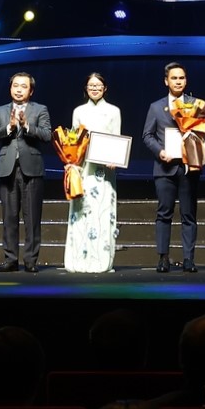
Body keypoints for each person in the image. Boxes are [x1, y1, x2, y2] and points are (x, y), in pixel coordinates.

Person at [138, 61, 205, 273]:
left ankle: (188, 259)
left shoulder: (197, 104)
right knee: (164, 213)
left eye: (181, 78)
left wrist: (197, 150)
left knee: (189, 215)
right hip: (164, 168)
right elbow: (147, 135)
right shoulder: (156, 107)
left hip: (188, 168)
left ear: (186, 81)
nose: (178, 81)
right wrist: (160, 151)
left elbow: (202, 132)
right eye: (174, 78)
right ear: (166, 81)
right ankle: (163, 257)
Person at [0, 71, 49, 272]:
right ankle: (10, 259)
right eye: (15, 86)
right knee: (9, 217)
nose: (19, 90)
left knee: (32, 218)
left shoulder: (40, 109)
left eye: (24, 86)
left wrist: (27, 126)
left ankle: (30, 261)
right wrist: (9, 127)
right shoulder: (0, 110)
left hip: (32, 168)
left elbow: (47, 135)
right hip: (8, 168)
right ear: (10, 88)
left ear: (31, 91)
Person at [66, 72, 120, 273]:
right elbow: (73, 140)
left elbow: (117, 139)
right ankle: (78, 259)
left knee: (103, 212)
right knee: (82, 211)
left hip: (105, 170)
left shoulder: (114, 111)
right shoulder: (79, 111)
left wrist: (115, 159)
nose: (95, 89)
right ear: (86, 88)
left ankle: (102, 260)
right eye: (91, 86)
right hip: (83, 169)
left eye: (98, 86)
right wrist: (71, 162)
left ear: (105, 88)